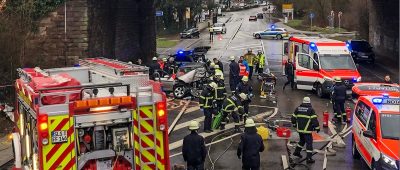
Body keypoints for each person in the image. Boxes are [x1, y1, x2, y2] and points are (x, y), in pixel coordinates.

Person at [291, 97, 320, 164]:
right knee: (309, 143)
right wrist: (317, 128)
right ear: (309, 102)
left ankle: (297, 152)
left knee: (302, 141)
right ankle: (309, 158)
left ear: (303, 102)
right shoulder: (311, 110)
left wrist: (294, 124)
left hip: (300, 130)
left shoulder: (298, 108)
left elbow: (293, 118)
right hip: (307, 131)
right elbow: (314, 120)